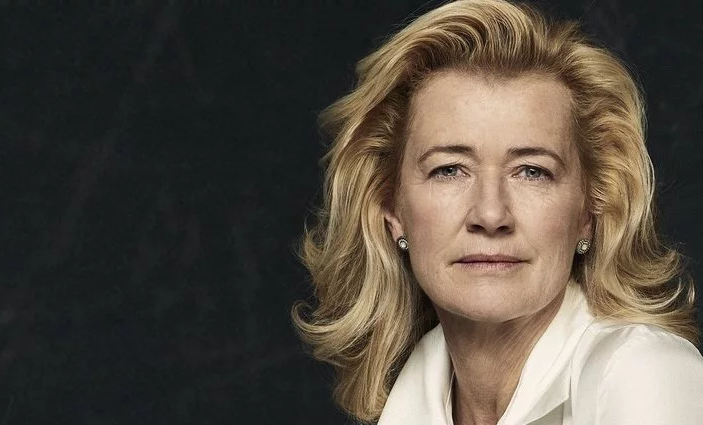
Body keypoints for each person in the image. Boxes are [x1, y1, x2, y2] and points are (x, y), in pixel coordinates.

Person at [292, 0, 703, 423]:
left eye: (532, 171)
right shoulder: (408, 404)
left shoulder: (641, 374)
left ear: (589, 211)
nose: (490, 215)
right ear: (391, 208)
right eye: (449, 170)